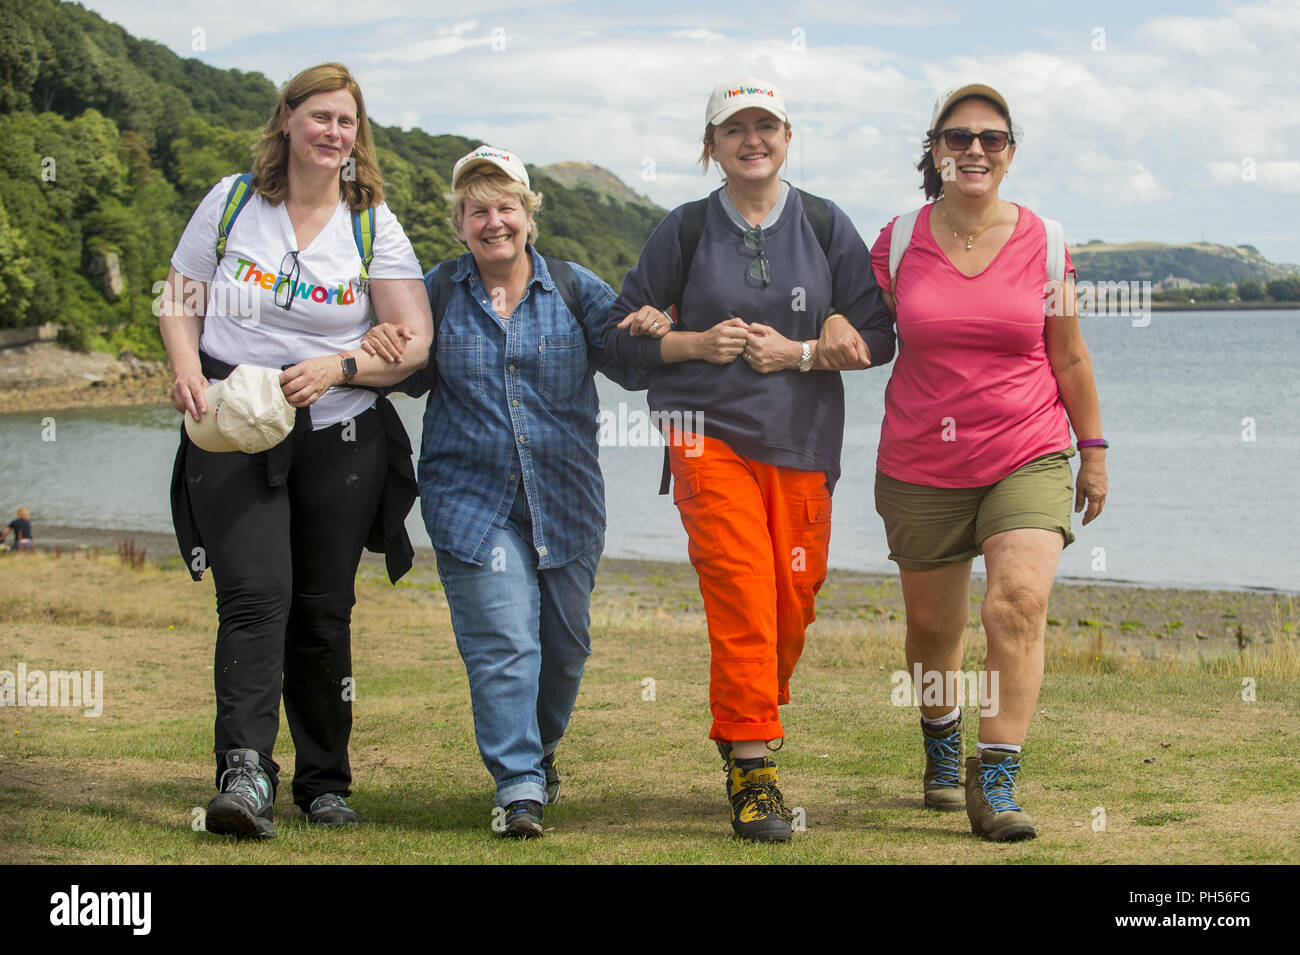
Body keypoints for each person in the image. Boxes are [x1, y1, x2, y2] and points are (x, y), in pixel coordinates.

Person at [604, 78, 895, 841]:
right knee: (741, 590)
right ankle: (753, 767)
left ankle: (752, 717)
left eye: (766, 125)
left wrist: (807, 347)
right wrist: (690, 341)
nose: (751, 138)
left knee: (791, 600)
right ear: (712, 146)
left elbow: (877, 338)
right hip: (705, 434)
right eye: (734, 128)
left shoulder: (828, 225)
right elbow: (619, 342)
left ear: (788, 136)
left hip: (802, 442)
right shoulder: (686, 228)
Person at [161, 62, 433, 840]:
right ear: (287, 120)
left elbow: (414, 340)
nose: (332, 133)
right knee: (253, 595)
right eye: (319, 117)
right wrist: (185, 368)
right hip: (232, 425)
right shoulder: (232, 201)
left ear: (358, 135)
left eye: (346, 122)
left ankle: (323, 783)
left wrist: (345, 364)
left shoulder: (372, 220)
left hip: (341, 434)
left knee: (323, 610)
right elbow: (179, 299)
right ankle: (244, 770)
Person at [362, 145, 646, 838]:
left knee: (566, 647)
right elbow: (400, 373)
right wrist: (372, 347)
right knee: (505, 643)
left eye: (506, 207)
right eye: (478, 210)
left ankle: (538, 755)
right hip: (470, 500)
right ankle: (518, 784)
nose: (495, 221)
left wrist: (653, 330)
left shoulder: (577, 288)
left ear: (529, 216)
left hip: (567, 500)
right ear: (459, 223)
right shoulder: (435, 291)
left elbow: (632, 369)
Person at [865, 83, 1108, 841]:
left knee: (1018, 602)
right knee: (934, 631)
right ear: (934, 150)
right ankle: (941, 743)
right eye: (958, 136)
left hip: (1027, 452)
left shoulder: (1047, 239)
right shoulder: (898, 241)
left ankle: (996, 778)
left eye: (992, 138)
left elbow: (1067, 355)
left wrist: (1092, 450)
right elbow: (860, 335)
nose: (975, 149)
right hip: (920, 461)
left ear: (1009, 153)